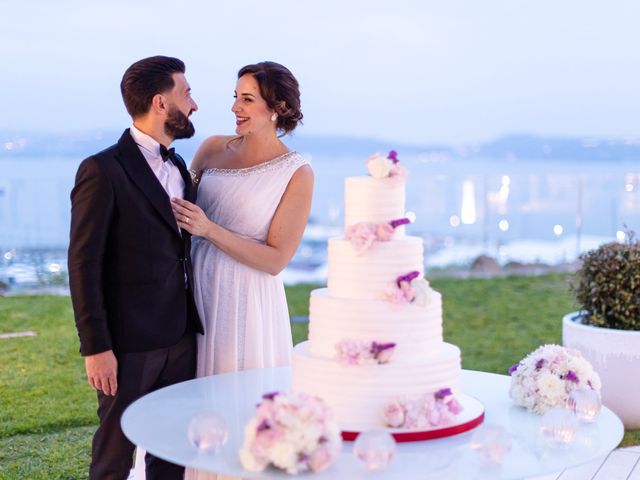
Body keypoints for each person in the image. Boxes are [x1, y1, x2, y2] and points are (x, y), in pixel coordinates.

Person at [170, 61, 313, 480]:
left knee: (235, 406)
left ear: (277, 108)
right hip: (194, 291)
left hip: (246, 304)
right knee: (189, 400)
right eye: (235, 96)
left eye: (247, 99)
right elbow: (176, 209)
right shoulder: (212, 148)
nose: (236, 106)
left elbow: (275, 260)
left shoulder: (297, 172)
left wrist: (209, 229)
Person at [68, 55, 203, 480]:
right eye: (187, 93)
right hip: (127, 345)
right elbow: (83, 265)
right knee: (113, 457)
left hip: (181, 335)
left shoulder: (179, 165)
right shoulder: (102, 170)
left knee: (171, 453)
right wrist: (96, 347)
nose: (194, 104)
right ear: (161, 103)